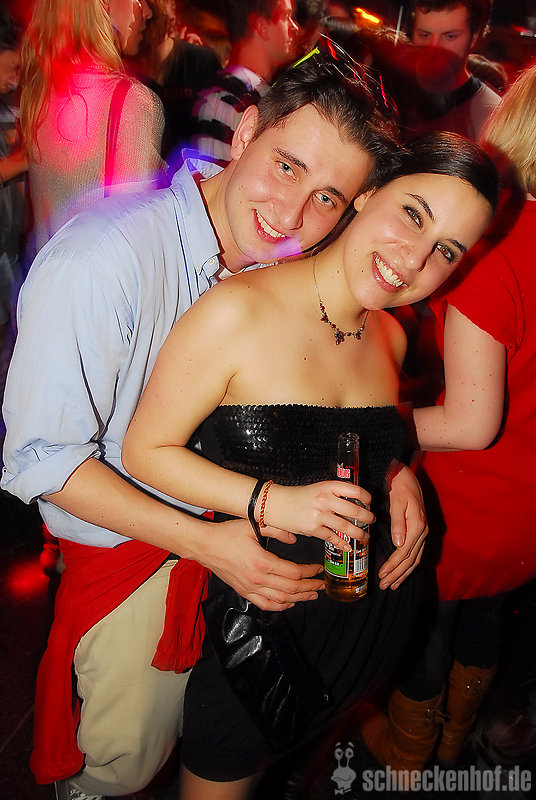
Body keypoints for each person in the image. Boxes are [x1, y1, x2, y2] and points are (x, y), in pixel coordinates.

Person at [2, 54, 426, 800]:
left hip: (244, 554)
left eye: (327, 197)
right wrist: (206, 542)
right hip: (141, 559)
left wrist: (393, 469)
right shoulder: (105, 258)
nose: (291, 216)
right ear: (246, 131)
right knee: (123, 767)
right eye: (287, 166)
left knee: (224, 740)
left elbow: (316, 401)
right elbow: (40, 458)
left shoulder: (287, 267)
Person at [122, 131, 497, 799]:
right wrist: (272, 502)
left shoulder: (389, 333)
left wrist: (395, 472)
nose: (415, 258)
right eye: (413, 215)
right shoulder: (237, 310)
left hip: (362, 632)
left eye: (446, 250)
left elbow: (342, 439)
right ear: (369, 192)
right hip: (262, 634)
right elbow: (144, 451)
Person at [361, 62, 536, 776]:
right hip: (524, 510)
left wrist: (377, 419)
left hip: (466, 504)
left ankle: (408, 763)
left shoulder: (496, 247)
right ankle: (455, 744)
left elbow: (469, 423)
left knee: (424, 638)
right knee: (485, 628)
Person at [20, 0, 165, 251]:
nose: (148, 12)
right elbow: (136, 245)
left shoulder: (39, 93)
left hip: (46, 272)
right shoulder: (132, 102)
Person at [192, 0, 299, 164]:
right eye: (286, 16)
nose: (294, 27)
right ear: (262, 26)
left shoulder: (249, 91)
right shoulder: (235, 97)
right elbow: (212, 174)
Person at [406, 0, 500, 140]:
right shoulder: (390, 90)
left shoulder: (492, 117)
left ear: (473, 38)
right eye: (424, 35)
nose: (433, 49)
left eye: (449, 37)